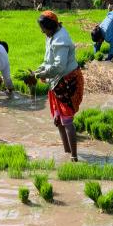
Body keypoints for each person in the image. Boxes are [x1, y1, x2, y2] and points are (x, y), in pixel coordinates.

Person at [34, 11, 84, 162]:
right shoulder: (51, 36)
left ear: (50, 27)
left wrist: (43, 74)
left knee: (67, 119)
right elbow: (48, 60)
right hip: (57, 81)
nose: (42, 31)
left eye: (43, 28)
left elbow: (59, 66)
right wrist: (40, 70)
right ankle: (66, 151)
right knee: (59, 119)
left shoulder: (61, 40)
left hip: (68, 82)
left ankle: (74, 156)